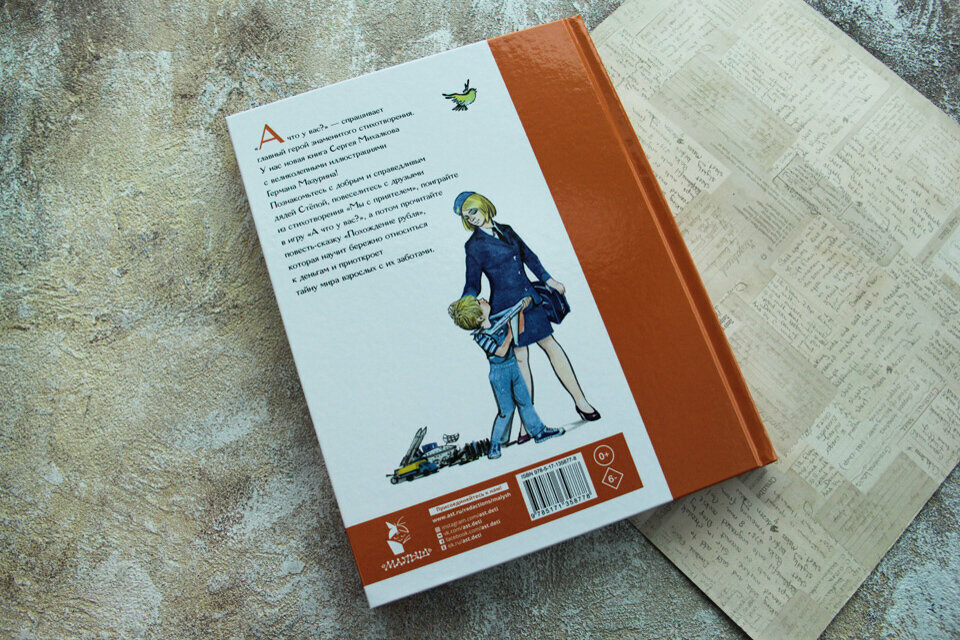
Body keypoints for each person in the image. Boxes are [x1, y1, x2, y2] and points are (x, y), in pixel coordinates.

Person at [454, 191, 600, 430]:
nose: (472, 218)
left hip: (529, 298)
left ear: (483, 205)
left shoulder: (507, 230)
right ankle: (527, 425)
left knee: (551, 345)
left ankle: (581, 401)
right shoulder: (473, 246)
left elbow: (530, 257)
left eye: (473, 211)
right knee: (521, 358)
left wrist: (549, 279)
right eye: (467, 216)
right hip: (506, 308)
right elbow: (472, 283)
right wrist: (465, 305)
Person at [448, 295, 563, 459]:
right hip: (499, 374)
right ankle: (495, 444)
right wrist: (509, 331)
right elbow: (501, 352)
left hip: (513, 367)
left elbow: (517, 328)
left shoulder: (496, 320)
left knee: (525, 401)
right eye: (479, 302)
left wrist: (520, 310)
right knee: (506, 410)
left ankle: (539, 431)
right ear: (479, 317)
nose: (483, 300)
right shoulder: (481, 337)